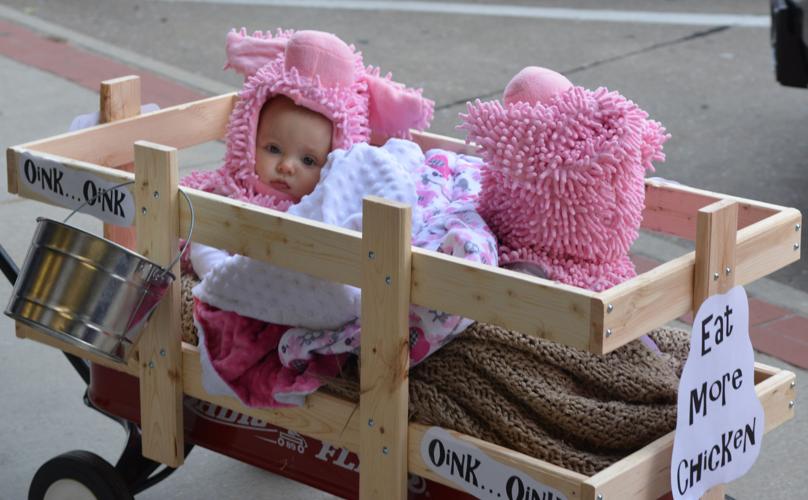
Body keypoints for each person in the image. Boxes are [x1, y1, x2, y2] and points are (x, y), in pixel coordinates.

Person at [460, 66, 670, 292]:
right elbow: (648, 141)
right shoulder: (620, 125)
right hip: (606, 264)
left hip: (536, 257)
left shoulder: (526, 146)